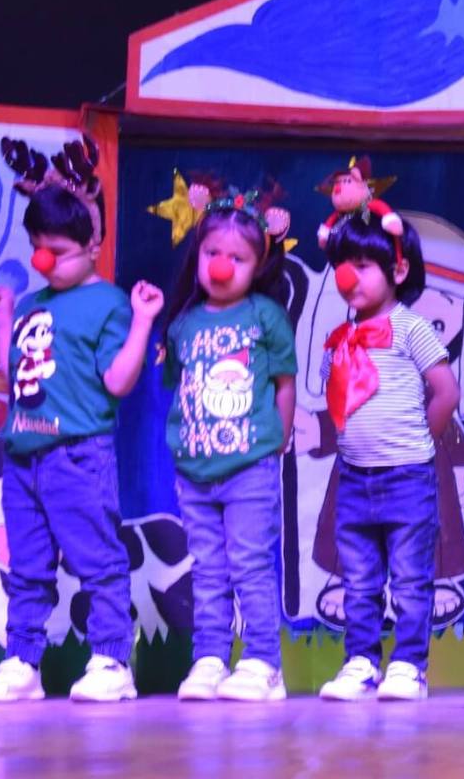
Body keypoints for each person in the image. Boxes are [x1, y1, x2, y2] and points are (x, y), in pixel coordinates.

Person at [0, 135, 161, 703]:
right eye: (37, 247)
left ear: (91, 244)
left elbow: (118, 382)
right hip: (22, 456)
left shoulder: (108, 302)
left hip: (78, 454)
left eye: (56, 249)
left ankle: (111, 660)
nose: (43, 260)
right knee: (27, 567)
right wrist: (5, 319)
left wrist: (142, 321)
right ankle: (22, 663)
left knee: (97, 560)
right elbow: (16, 374)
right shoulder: (34, 303)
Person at [314, 201, 460, 702]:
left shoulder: (410, 327)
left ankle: (409, 665)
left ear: (398, 270)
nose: (348, 277)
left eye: (362, 265)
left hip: (406, 477)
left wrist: (420, 443)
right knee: (358, 580)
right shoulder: (340, 337)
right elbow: (338, 397)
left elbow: (446, 392)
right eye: (342, 265)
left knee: (411, 579)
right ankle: (360, 662)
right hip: (354, 478)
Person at [161, 183, 298, 701]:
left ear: (257, 265)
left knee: (249, 564)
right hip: (195, 471)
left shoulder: (265, 316)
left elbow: (284, 383)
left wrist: (278, 439)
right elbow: (181, 385)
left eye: (236, 258)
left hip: (249, 467)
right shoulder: (184, 324)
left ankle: (263, 662)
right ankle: (211, 658)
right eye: (212, 253)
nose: (221, 266)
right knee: (208, 570)